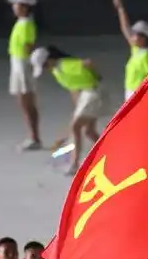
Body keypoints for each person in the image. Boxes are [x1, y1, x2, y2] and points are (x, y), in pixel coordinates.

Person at [31, 45, 104, 174]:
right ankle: (109, 150)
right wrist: (78, 109)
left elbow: (88, 63)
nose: (46, 69)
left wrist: (97, 76)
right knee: (88, 131)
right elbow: (73, 88)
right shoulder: (56, 71)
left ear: (50, 59)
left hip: (94, 92)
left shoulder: (64, 65)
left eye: (45, 65)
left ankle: (74, 164)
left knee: (76, 126)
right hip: (86, 95)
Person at [1, 0, 42, 150]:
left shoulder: (26, 25)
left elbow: (29, 48)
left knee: (27, 102)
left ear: (24, 7)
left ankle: (34, 137)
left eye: (17, 5)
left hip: (23, 64)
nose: (14, 7)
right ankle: (32, 136)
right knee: (22, 101)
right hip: (16, 63)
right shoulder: (23, 19)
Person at [112, 0, 148, 99]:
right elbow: (125, 28)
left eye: (135, 35)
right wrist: (120, 8)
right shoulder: (138, 49)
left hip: (138, 94)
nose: (132, 37)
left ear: (144, 38)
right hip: (130, 91)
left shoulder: (147, 56)